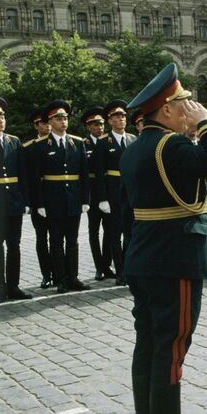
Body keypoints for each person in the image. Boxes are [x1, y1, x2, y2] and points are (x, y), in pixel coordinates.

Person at [120, 63, 207, 414]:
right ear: (165, 110)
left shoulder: (135, 148)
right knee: (171, 348)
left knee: (149, 347)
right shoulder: (173, 145)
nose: (190, 107)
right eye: (184, 103)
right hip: (176, 259)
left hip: (144, 257)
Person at [31, 100, 92, 294]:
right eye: (58, 118)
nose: (63, 122)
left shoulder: (78, 143)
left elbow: (84, 175)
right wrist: (39, 203)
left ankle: (73, 277)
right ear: (50, 121)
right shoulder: (40, 146)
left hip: (73, 198)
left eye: (65, 118)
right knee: (56, 241)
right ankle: (61, 279)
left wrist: (85, 200)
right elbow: (36, 177)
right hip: (53, 199)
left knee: (72, 241)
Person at [96, 99, 137, 285]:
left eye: (123, 115)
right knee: (115, 234)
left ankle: (130, 268)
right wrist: (102, 198)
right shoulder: (103, 142)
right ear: (110, 120)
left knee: (131, 233)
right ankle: (120, 272)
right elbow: (99, 173)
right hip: (113, 193)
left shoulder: (133, 139)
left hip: (131, 193)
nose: (121, 119)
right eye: (116, 116)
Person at [0, 97, 31, 303]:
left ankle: (13, 286)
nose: (1, 121)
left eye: (2, 116)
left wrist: (25, 200)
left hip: (14, 201)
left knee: (14, 245)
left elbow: (23, 173)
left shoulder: (14, 141)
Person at [81, 107, 113, 281]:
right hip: (92, 193)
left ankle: (107, 264)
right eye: (95, 125)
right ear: (88, 127)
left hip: (106, 190)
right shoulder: (82, 144)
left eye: (101, 124)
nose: (99, 127)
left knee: (109, 230)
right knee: (93, 231)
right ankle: (98, 266)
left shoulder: (108, 142)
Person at [24, 106, 54, 289]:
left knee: (58, 239)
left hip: (56, 198)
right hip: (39, 199)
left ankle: (60, 272)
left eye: (47, 122)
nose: (46, 126)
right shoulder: (28, 148)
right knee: (42, 238)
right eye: (42, 123)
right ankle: (46, 274)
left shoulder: (64, 143)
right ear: (36, 126)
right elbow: (29, 179)